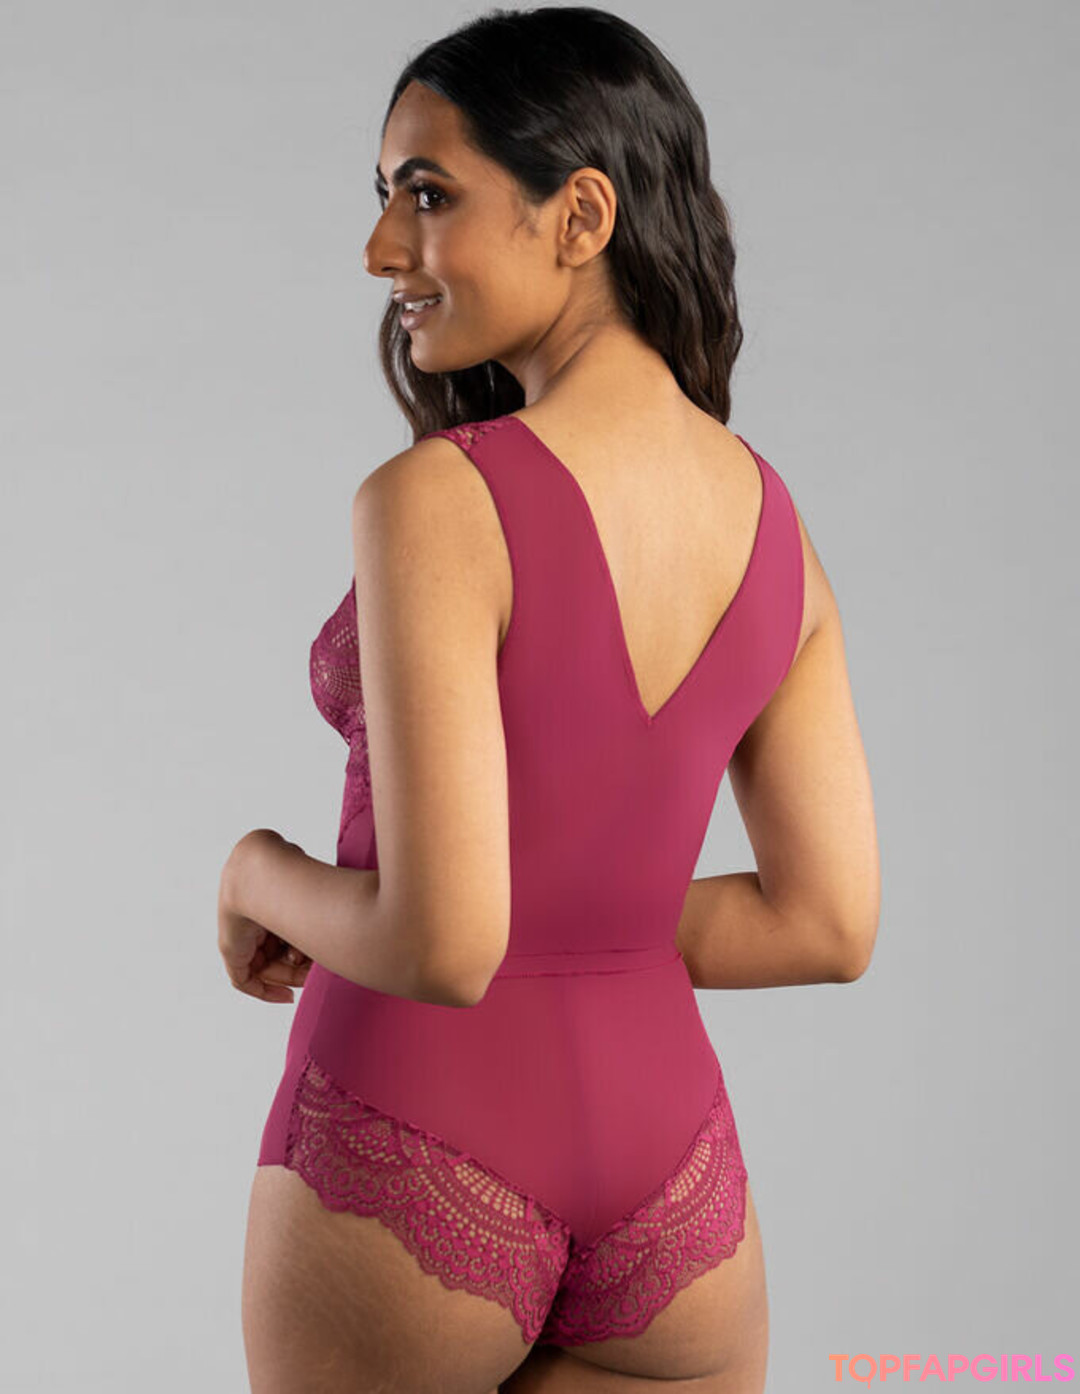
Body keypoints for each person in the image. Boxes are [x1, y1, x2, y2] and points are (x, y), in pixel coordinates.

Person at [221, 8, 880, 1391]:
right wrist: (592, 927)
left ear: (580, 215)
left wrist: (255, 871)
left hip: (414, 1133)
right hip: (675, 1181)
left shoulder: (439, 501)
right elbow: (826, 922)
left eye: (427, 194)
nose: (380, 249)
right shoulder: (774, 527)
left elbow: (444, 944)